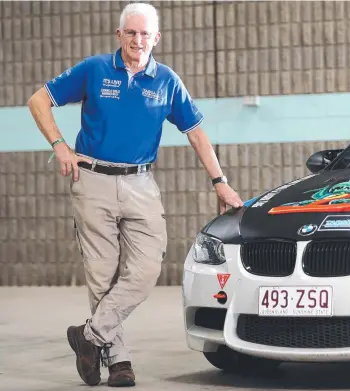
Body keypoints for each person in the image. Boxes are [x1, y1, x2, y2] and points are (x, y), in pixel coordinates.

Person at [26, 2, 243, 387]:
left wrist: (219, 180)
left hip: (141, 183)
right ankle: (119, 361)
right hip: (91, 179)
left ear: (156, 38)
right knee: (102, 275)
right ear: (119, 35)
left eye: (145, 34)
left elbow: (195, 132)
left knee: (145, 271)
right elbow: (38, 100)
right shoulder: (94, 69)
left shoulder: (167, 81)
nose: (137, 40)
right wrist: (59, 143)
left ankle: (88, 337)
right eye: (131, 33)